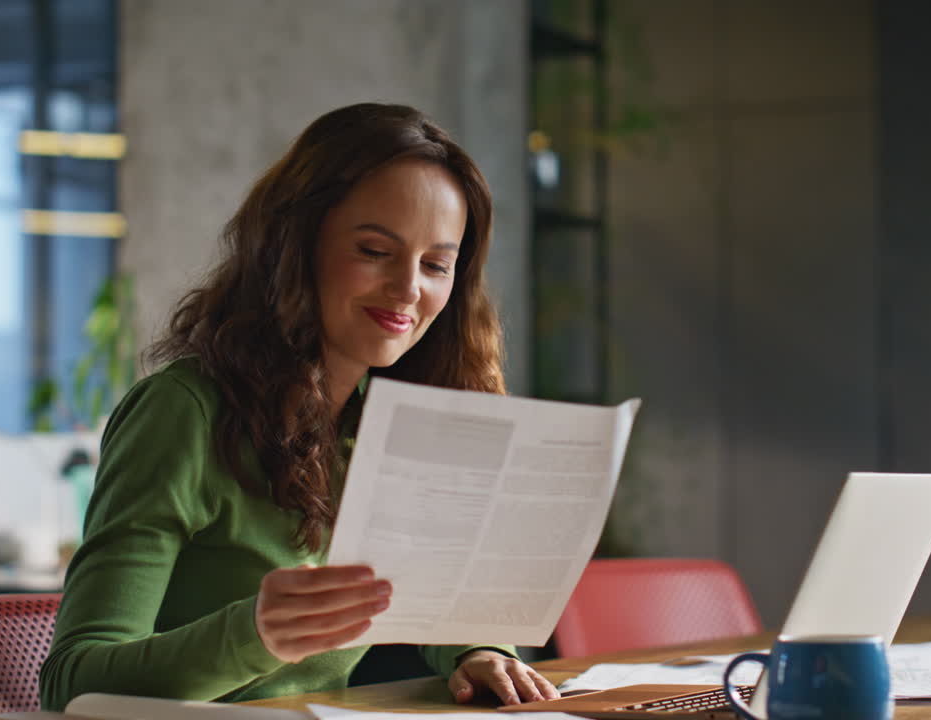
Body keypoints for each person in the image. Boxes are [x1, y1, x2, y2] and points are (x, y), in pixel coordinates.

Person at [39, 102, 562, 710]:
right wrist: (256, 634)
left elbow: (433, 601)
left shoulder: (384, 424)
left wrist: (477, 651)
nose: (408, 289)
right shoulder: (182, 412)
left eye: (436, 265)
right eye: (374, 251)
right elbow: (72, 682)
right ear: (294, 245)